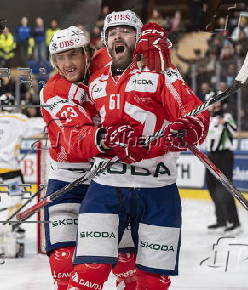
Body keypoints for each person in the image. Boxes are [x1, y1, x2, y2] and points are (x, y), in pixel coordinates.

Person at [67, 10, 210, 290]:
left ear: (139, 37)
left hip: (157, 190)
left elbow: (194, 116)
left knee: (152, 281)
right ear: (106, 43)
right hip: (107, 186)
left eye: (126, 31)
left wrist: (185, 129)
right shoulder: (95, 84)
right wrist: (104, 139)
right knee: (88, 272)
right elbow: (79, 134)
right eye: (112, 32)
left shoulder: (160, 75)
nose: (118, 36)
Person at [40, 26, 142, 290]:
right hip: (68, 179)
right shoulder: (53, 91)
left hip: (110, 178)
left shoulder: (108, 64)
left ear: (87, 53)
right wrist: (108, 139)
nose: (66, 64)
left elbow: (142, 73)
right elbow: (75, 138)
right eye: (60, 58)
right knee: (63, 262)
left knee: (127, 263)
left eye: (72, 55)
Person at [0, 93, 43, 218]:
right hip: (8, 165)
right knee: (16, 194)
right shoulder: (18, 119)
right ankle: (14, 220)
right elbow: (39, 125)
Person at [205, 100, 241, 235]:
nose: (213, 106)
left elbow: (233, 129)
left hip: (224, 156)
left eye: (215, 103)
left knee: (224, 189)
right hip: (211, 156)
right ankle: (221, 221)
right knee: (212, 189)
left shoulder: (226, 117)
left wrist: (223, 121)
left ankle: (234, 223)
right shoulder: (208, 119)